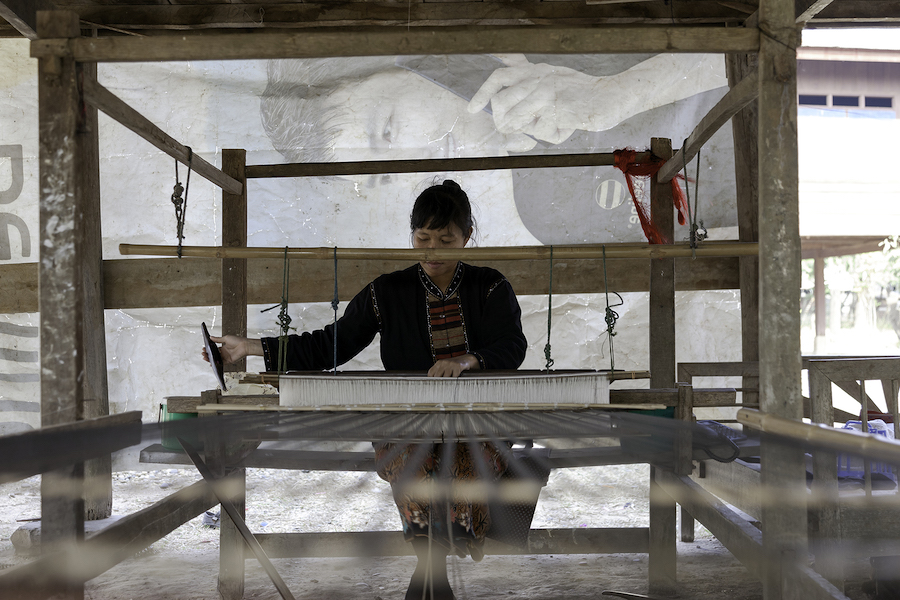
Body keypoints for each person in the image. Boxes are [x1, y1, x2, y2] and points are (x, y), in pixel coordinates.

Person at [205, 180, 527, 600]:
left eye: (446, 239)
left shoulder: (490, 286)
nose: (432, 250)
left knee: (466, 466)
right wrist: (249, 347)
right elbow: (328, 345)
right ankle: (432, 565)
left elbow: (512, 346)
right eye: (423, 238)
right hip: (409, 418)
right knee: (413, 461)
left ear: (467, 236)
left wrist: (466, 361)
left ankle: (434, 564)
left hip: (479, 414)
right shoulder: (387, 292)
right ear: (412, 236)